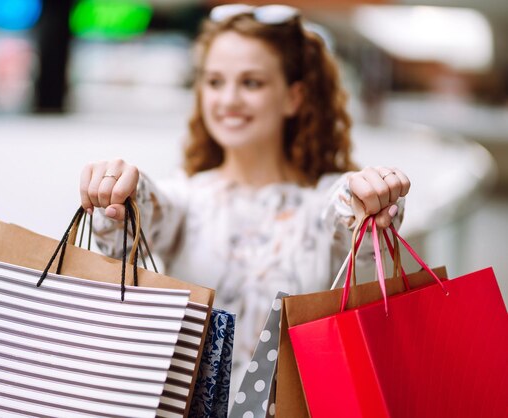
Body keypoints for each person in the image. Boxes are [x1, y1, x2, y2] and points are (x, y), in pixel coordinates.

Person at [79, 4, 410, 389]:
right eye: (215, 82)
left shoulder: (322, 200)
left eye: (252, 83)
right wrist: (120, 189)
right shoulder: (187, 196)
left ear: (294, 97)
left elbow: (346, 213)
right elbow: (148, 209)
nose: (229, 99)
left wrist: (366, 194)